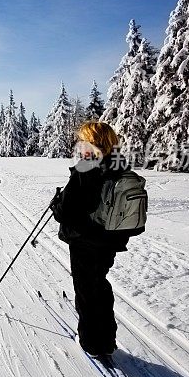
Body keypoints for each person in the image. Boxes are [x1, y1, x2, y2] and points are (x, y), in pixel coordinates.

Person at [52, 121, 133, 358]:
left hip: (86, 240)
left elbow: (66, 211)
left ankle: (93, 344)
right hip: (111, 239)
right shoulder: (118, 164)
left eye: (83, 139)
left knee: (87, 291)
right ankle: (105, 340)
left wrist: (57, 204)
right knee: (99, 286)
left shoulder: (87, 166)